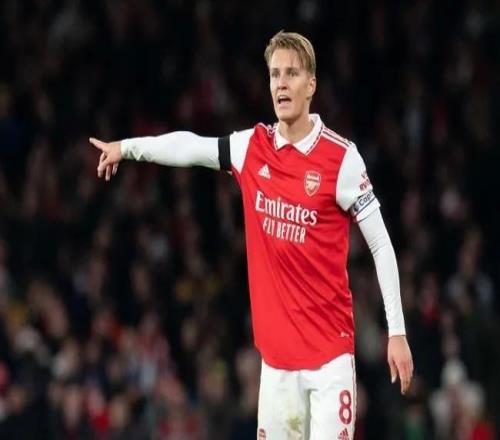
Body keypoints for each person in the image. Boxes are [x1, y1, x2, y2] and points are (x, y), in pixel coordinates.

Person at [89, 31, 413, 440]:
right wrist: (126, 148)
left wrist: (396, 332)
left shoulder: (341, 159)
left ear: (311, 85)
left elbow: (381, 245)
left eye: (292, 73)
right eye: (275, 74)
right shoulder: (252, 147)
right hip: (276, 366)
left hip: (329, 362)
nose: (281, 83)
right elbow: (191, 147)